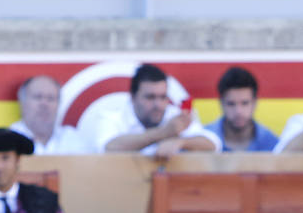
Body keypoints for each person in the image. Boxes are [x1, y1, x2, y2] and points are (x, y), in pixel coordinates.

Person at [81, 63, 218, 156]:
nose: (158, 104)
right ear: (133, 97)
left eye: (163, 97)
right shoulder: (111, 118)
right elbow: (108, 147)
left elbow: (212, 144)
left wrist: (182, 142)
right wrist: (163, 133)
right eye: (150, 97)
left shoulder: (175, 116)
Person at [9, 75, 85, 155]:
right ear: (22, 102)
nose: (44, 104)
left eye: (50, 98)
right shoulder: (8, 139)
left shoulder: (72, 139)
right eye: (38, 97)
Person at [210, 66, 279, 153]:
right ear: (221, 103)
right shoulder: (202, 142)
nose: (238, 111)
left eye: (245, 103)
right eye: (231, 104)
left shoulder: (272, 144)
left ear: (255, 103)